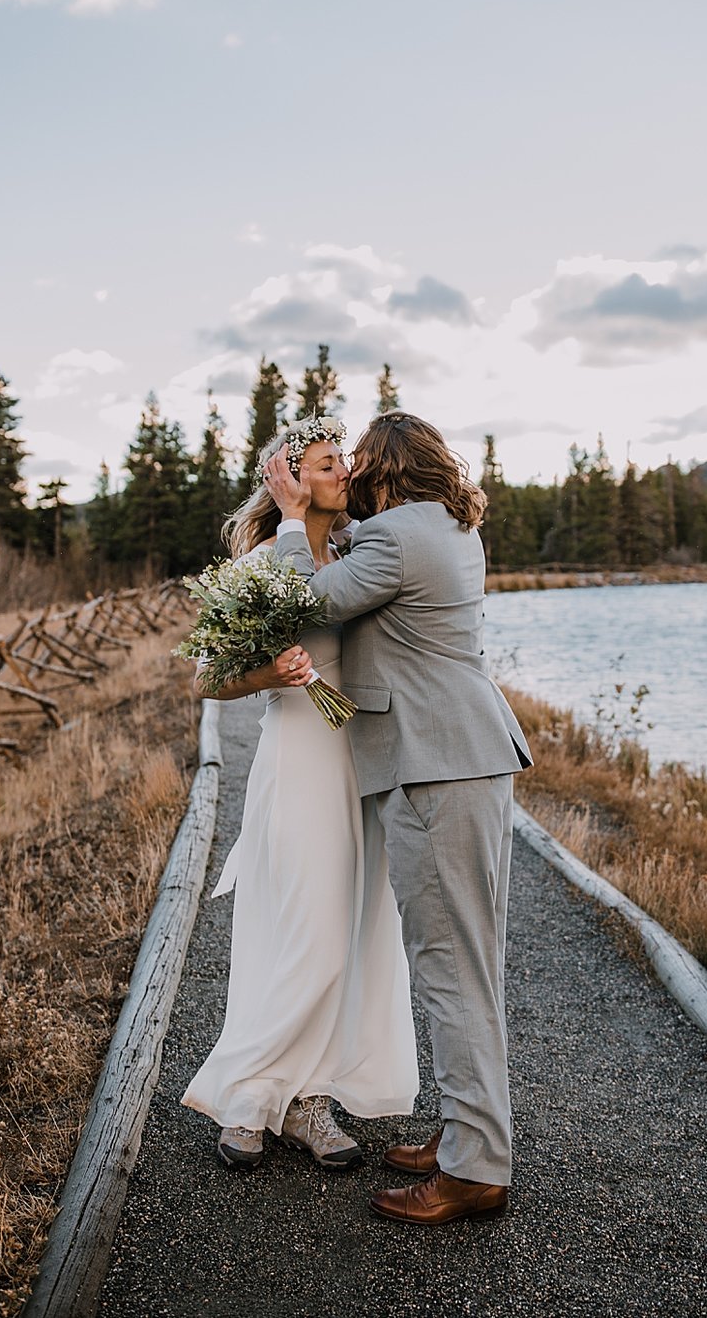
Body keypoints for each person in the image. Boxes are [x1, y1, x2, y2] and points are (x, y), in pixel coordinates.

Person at [264, 410, 532, 1226]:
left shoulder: (394, 539)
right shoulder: (446, 526)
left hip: (433, 765)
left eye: (357, 463)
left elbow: (309, 597)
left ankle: (476, 1167)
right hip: (468, 753)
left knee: (451, 968)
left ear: (382, 467)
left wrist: (286, 521)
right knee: (465, 961)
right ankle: (466, 1134)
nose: (348, 475)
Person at [181, 415, 418, 1173]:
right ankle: (250, 1094)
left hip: (363, 760)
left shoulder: (357, 552)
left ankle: (310, 1099)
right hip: (299, 760)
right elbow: (209, 679)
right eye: (325, 464)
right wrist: (269, 676)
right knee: (303, 926)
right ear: (288, 480)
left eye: (341, 460)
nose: (343, 472)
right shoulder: (261, 567)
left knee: (351, 929)